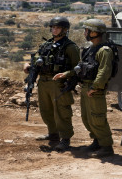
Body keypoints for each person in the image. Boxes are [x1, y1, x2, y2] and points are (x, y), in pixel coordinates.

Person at [23, 17, 80, 152]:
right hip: (43, 82)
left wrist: (66, 74)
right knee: (46, 110)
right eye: (53, 27)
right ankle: (53, 134)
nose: (54, 30)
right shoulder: (46, 45)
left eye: (58, 28)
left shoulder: (70, 47)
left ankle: (65, 139)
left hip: (59, 84)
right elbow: (38, 61)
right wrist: (28, 66)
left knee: (62, 111)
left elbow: (78, 68)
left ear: (65, 30)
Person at [76, 19, 114, 158]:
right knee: (87, 118)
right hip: (86, 87)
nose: (85, 33)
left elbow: (104, 71)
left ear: (94, 33)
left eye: (87, 30)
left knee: (97, 118)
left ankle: (106, 146)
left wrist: (95, 87)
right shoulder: (90, 48)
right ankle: (97, 141)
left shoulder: (104, 50)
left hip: (95, 89)